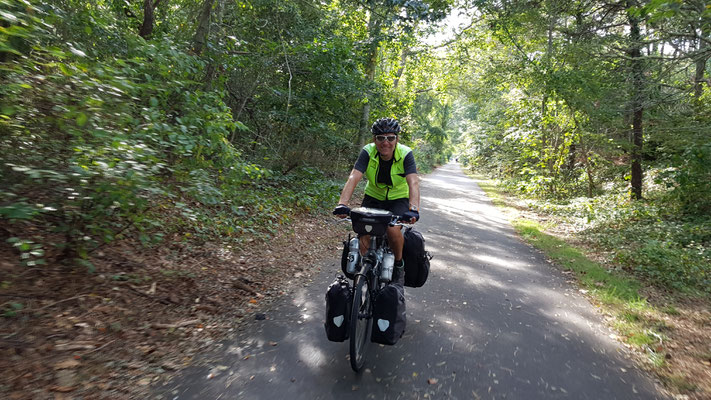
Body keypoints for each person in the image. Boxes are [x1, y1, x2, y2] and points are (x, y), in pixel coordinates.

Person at [333, 117, 420, 284]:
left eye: (390, 138)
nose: (385, 142)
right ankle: (365, 273)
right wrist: (342, 204)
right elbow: (354, 177)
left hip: (398, 199)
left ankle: (399, 263)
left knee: (393, 230)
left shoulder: (405, 154)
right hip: (373, 198)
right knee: (364, 232)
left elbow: (413, 182)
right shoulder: (368, 151)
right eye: (380, 138)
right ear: (374, 139)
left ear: (397, 139)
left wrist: (413, 208)